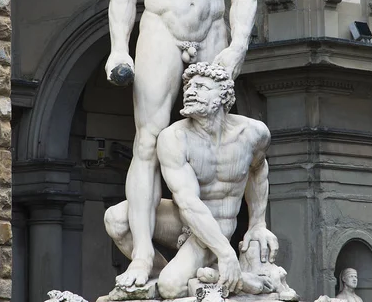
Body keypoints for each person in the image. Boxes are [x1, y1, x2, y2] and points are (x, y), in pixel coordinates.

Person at [105, 0, 258, 288]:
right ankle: (143, 255)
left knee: (217, 138)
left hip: (212, 27)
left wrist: (236, 48)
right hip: (161, 27)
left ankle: (226, 244)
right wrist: (117, 49)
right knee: (148, 141)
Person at [105, 63, 279, 299]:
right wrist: (226, 254)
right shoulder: (174, 137)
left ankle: (218, 279)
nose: (190, 91)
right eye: (188, 87)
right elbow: (187, 202)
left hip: (219, 223)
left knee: (171, 287)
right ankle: (163, 274)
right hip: (184, 216)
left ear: (223, 95)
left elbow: (258, 170)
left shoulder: (253, 133)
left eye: (201, 86)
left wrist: (257, 223)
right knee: (116, 218)